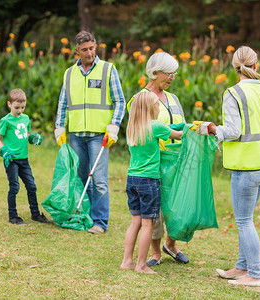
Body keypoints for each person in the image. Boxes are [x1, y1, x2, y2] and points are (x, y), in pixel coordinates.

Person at [205, 46, 260, 287]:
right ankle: (242, 268)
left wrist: (212, 130)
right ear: (256, 65)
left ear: (234, 67)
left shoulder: (233, 93)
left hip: (246, 167)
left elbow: (233, 132)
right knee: (247, 219)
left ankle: (255, 274)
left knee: (243, 221)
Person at [54, 31, 125, 234]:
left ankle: (100, 222)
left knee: (99, 180)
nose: (89, 53)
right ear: (77, 51)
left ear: (96, 47)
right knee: (81, 178)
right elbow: (63, 103)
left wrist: (114, 126)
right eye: (84, 50)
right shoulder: (69, 73)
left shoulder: (108, 70)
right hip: (76, 134)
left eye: (92, 48)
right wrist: (60, 128)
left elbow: (120, 101)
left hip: (99, 135)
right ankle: (85, 216)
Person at [126, 51, 189, 266]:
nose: (172, 78)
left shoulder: (173, 99)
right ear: (154, 72)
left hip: (176, 159)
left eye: (175, 74)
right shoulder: (140, 99)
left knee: (176, 206)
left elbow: (180, 125)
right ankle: (154, 253)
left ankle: (170, 244)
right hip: (155, 162)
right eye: (168, 73)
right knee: (154, 212)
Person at [120, 91, 183, 274]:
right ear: (150, 108)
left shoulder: (133, 127)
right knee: (148, 224)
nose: (158, 107)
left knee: (135, 222)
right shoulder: (155, 126)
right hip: (149, 181)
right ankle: (141, 265)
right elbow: (177, 134)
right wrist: (191, 129)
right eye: (156, 105)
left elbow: (167, 128)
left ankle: (127, 261)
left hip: (132, 179)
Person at [0, 88, 53, 226]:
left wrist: (32, 138)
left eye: (22, 107)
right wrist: (5, 150)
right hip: (11, 159)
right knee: (14, 187)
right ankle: (13, 216)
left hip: (24, 160)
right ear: (9, 104)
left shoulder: (26, 119)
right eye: (17, 107)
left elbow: (25, 135)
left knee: (32, 186)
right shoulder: (5, 121)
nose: (20, 110)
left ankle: (35, 214)